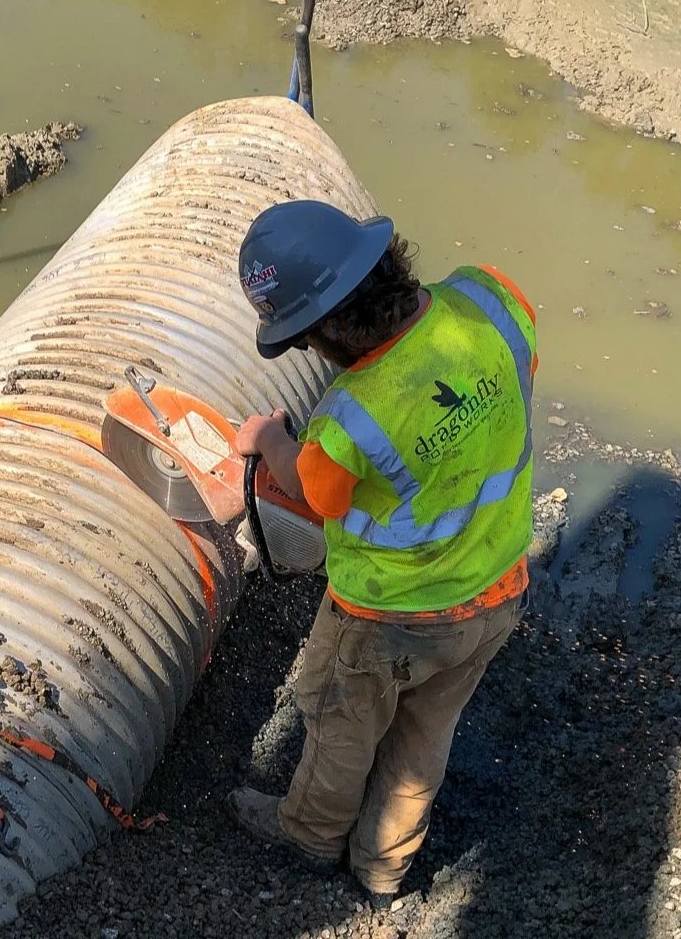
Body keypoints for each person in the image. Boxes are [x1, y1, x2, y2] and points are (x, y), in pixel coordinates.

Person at [228, 199, 538, 910]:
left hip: (390, 616)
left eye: (306, 339)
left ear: (334, 325)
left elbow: (317, 499)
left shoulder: (350, 417)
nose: (311, 352)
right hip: (496, 586)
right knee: (425, 735)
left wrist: (268, 441)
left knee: (341, 720)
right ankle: (381, 870)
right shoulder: (491, 297)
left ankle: (307, 835)